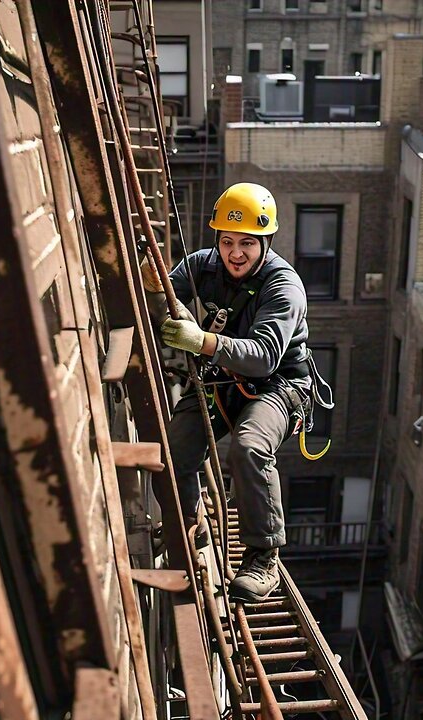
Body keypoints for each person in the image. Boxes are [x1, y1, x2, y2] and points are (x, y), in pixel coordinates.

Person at [142, 182, 332, 602]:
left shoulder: (283, 287)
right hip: (224, 376)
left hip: (279, 385)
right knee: (173, 448)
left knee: (248, 446)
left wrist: (201, 342)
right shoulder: (203, 266)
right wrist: (153, 286)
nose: (236, 253)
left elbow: (264, 356)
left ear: (265, 241)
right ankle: (187, 523)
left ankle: (264, 558)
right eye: (227, 241)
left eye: (247, 242)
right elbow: (163, 297)